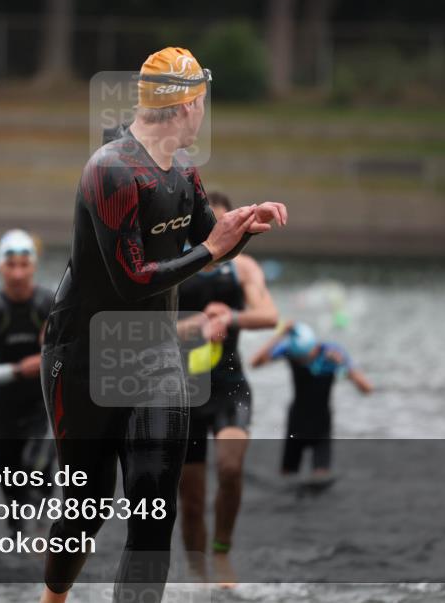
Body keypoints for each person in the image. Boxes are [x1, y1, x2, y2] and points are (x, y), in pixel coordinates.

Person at [39, 46, 287, 603]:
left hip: (153, 356)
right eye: (203, 99)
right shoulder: (111, 170)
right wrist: (211, 244)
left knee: (155, 510)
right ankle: (52, 599)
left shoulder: (183, 171)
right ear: (189, 105)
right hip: (84, 355)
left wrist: (243, 223)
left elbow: (209, 239)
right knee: (88, 509)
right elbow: (132, 279)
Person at [175, 191, 278, 586]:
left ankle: (221, 554)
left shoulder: (242, 268)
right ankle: (197, 572)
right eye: (206, 228)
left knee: (231, 468)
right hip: (183, 393)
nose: (217, 235)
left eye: (223, 227)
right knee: (193, 497)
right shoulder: (174, 269)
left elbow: (268, 316)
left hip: (230, 386)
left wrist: (229, 317)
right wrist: (198, 323)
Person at [0, 230, 55, 531]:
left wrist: (49, 352)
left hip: (43, 408)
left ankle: (46, 543)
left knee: (37, 467)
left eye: (23, 264)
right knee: (13, 502)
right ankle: (16, 559)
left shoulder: (51, 306)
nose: (17, 273)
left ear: (33, 266)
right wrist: (16, 370)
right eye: (11, 265)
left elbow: (81, 360)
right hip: (3, 409)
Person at [251, 322, 373, 478]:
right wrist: (279, 335)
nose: (303, 361)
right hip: (296, 421)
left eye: (304, 357)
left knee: (321, 476)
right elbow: (254, 363)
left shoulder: (333, 353)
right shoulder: (289, 350)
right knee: (287, 476)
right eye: (299, 358)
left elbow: (367, 389)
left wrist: (343, 365)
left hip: (321, 424)